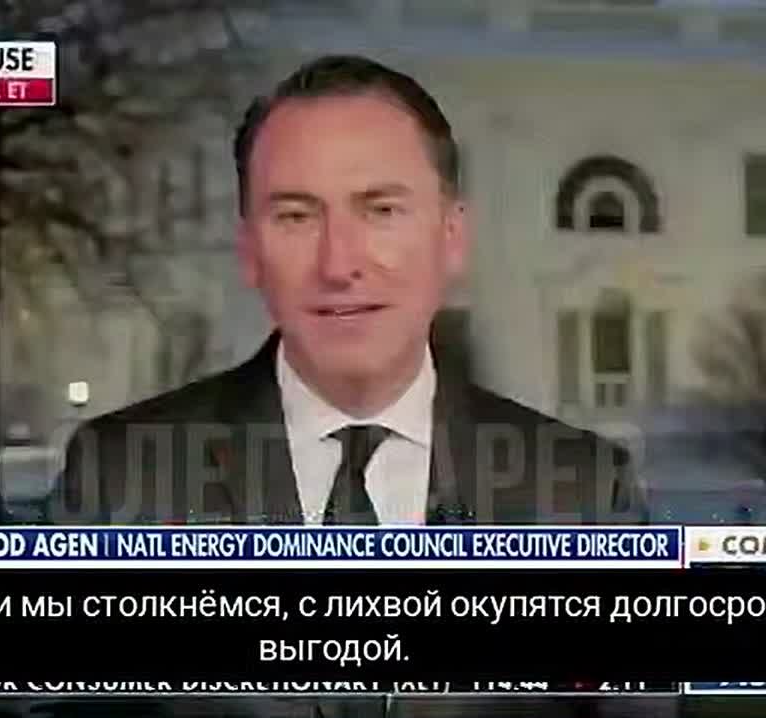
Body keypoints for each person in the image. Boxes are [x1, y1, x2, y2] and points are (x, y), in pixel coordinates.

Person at [53, 54, 676, 718]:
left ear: (452, 237)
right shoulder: (119, 479)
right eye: (296, 217)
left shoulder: (583, 493)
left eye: (381, 210)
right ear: (250, 252)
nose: (339, 263)